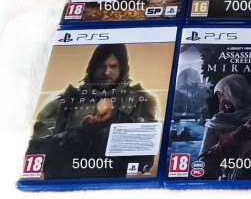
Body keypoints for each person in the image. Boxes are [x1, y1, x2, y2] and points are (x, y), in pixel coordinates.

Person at [25, 44, 157, 179]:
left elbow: (144, 161)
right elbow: (36, 151)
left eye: (113, 66)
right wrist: (81, 133)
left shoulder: (140, 100)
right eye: (101, 66)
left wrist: (114, 122)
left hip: (115, 184)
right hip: (64, 182)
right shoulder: (63, 101)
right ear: (92, 67)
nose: (107, 72)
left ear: (122, 68)